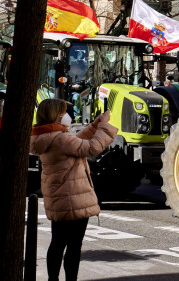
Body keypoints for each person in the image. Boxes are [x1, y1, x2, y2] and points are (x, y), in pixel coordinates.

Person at [30, 99, 118, 281]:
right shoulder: (61, 139)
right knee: (73, 246)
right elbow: (92, 147)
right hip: (73, 199)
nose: (68, 116)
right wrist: (104, 126)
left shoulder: (48, 138)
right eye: (64, 112)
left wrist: (94, 125)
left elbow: (76, 141)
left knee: (57, 243)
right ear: (58, 116)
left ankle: (52, 279)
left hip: (59, 199)